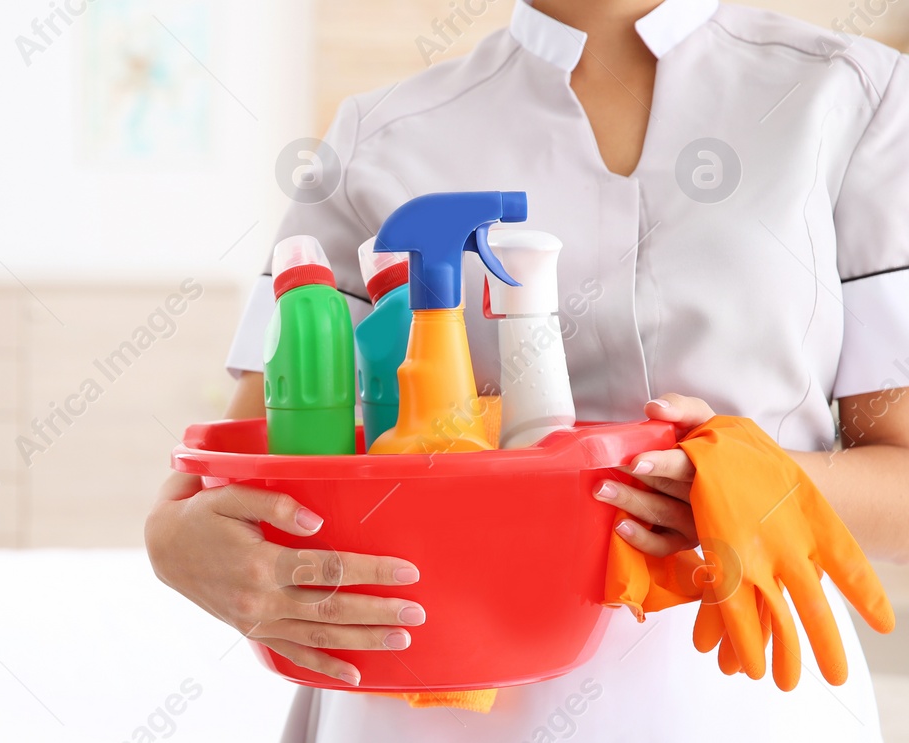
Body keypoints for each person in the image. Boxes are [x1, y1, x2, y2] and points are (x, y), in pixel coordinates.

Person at [143, 0, 909, 740]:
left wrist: (773, 484)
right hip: (422, 693)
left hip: (735, 685)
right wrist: (174, 541)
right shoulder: (378, 138)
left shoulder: (854, 99)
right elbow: (264, 468)